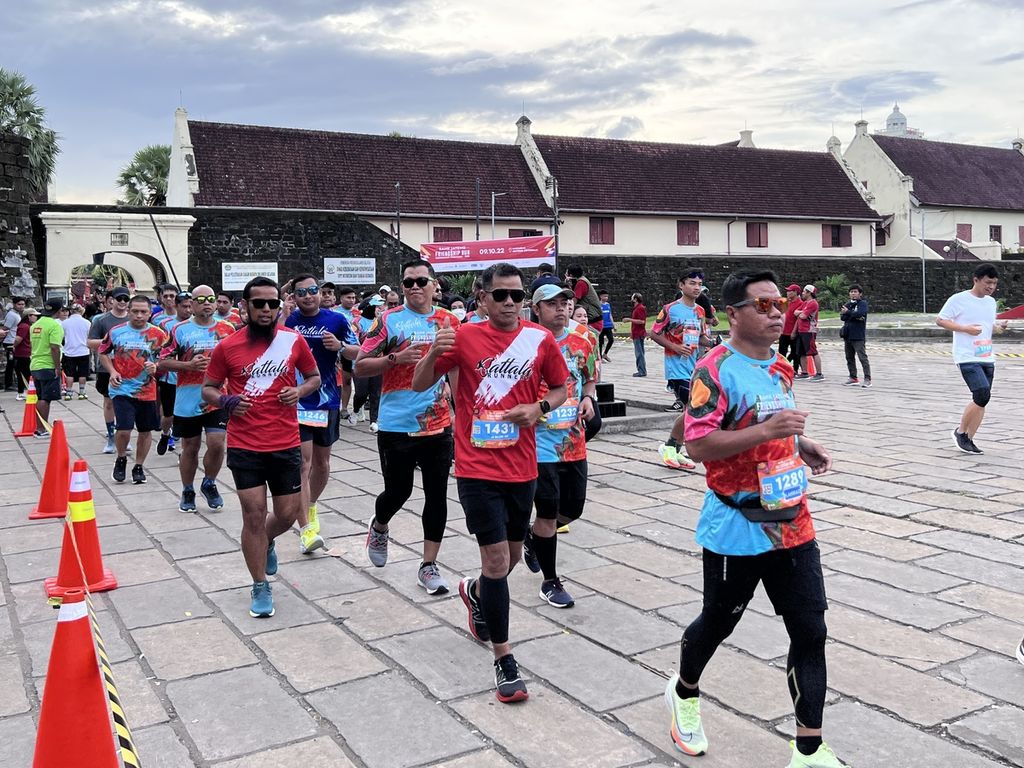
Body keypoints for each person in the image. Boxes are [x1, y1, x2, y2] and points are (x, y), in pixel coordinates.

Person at [665, 270, 845, 768]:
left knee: (810, 631)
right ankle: (684, 693)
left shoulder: (781, 367)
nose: (775, 313)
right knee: (719, 622)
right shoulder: (713, 370)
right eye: (763, 305)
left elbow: (774, 429)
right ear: (733, 314)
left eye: (779, 303)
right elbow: (698, 446)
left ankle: (809, 748)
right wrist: (768, 427)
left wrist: (800, 444)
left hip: (792, 520)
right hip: (735, 525)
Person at [412, 261, 569, 703]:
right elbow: (420, 383)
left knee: (511, 559)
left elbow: (560, 389)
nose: (509, 303)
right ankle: (504, 661)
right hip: (476, 468)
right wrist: (431, 353)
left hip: (523, 467)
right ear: (482, 298)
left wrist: (539, 407)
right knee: (498, 561)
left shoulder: (539, 340)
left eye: (516, 295)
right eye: (500, 295)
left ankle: (475, 592)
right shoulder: (462, 337)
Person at [202, 276, 321, 618]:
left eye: (272, 303)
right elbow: (208, 389)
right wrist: (225, 400)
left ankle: (266, 541)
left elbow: (313, 378)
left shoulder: (293, 341)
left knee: (285, 515)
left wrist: (299, 392)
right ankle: (259, 583)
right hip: (245, 444)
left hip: (285, 442)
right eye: (259, 304)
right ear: (246, 307)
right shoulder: (228, 346)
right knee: (253, 515)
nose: (267, 310)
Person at [358, 259, 459, 595]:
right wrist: (394, 359)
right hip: (395, 422)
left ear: (434, 286)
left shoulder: (448, 321)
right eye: (408, 282)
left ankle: (429, 565)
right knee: (398, 491)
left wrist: (461, 413)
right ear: (401, 287)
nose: (415, 287)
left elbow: (457, 368)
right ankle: (380, 525)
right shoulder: (388, 320)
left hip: (436, 421)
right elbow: (360, 366)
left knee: (436, 494)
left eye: (421, 281)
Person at [522, 283, 598, 607]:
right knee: (548, 511)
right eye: (551, 303)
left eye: (565, 301)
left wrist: (588, 398)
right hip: (537, 442)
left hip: (572, 439)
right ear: (537, 308)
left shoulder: (585, 338)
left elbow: (590, 377)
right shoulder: (523, 341)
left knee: (574, 509)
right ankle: (550, 582)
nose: (561, 308)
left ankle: (532, 537)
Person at [284, 273, 360, 553]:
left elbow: (359, 352)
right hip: (299, 400)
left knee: (322, 464)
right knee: (303, 464)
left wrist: (339, 347)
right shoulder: (290, 321)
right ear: (294, 296)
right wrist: (283, 314)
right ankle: (306, 529)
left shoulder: (337, 320)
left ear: (320, 292)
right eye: (301, 292)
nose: (308, 296)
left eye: (313, 290)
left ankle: (311, 504)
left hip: (327, 401)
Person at [160, 285, 236, 512]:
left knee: (217, 444)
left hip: (218, 396)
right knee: (190, 448)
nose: (206, 303)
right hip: (187, 398)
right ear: (191, 304)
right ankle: (187, 489)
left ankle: (209, 482)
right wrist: (187, 365)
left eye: (210, 299)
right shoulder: (179, 330)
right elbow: (162, 362)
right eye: (200, 299)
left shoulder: (228, 329)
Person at [936, 263, 1007, 455]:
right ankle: (961, 432)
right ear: (976, 280)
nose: (991, 287)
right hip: (967, 356)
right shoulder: (958, 299)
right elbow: (941, 320)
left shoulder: (990, 303)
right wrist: (965, 329)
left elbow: (987, 326)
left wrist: (999, 327)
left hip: (986, 356)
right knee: (981, 393)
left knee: (983, 399)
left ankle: (969, 438)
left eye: (994, 283)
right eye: (987, 282)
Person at [98, 295, 168, 484]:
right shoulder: (116, 331)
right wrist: (112, 371)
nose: (139, 315)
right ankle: (121, 458)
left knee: (146, 431)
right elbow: (102, 352)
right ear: (128, 311)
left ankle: (139, 466)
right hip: (122, 388)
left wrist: (157, 366)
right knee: (124, 429)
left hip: (147, 390)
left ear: (149, 313)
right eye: (135, 311)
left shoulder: (159, 334)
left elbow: (167, 359)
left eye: (143, 312)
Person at [651, 271, 706, 470]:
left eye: (699, 284)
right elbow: (654, 333)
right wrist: (674, 347)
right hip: (676, 369)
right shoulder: (670, 309)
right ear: (681, 285)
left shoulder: (700, 311)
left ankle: (674, 449)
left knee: (688, 411)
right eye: (692, 283)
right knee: (693, 408)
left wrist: (714, 344)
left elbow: (701, 337)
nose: (697, 287)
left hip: (695, 368)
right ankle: (670, 446)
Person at [89, 286, 132, 453]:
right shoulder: (101, 320)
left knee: (127, 403)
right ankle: (111, 436)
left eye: (125, 299)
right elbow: (90, 342)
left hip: (129, 368)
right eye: (118, 299)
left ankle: (124, 435)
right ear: (111, 300)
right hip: (106, 368)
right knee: (109, 403)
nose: (122, 302)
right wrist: (110, 342)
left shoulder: (133, 318)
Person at [154, 292, 193, 455]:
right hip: (170, 377)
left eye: (191, 306)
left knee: (187, 413)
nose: (188, 310)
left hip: (191, 380)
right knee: (168, 413)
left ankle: (182, 443)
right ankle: (165, 433)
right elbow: (159, 348)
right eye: (184, 306)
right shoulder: (164, 324)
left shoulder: (196, 325)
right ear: (176, 307)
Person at [28, 298, 64, 437]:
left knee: (40, 396)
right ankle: (41, 428)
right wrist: (57, 367)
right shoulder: (54, 326)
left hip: (35, 364)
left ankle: (40, 427)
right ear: (59, 311)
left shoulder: (35, 325)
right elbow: (55, 347)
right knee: (45, 398)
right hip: (48, 365)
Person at [840, 285, 871, 387]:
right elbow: (843, 317)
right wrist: (852, 314)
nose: (853, 293)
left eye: (855, 291)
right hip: (847, 335)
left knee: (862, 357)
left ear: (860, 293)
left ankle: (867, 378)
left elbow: (861, 314)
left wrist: (849, 313)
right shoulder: (848, 304)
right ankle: (853, 377)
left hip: (858, 335)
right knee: (849, 357)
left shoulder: (863, 304)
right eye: (851, 292)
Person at [60, 304, 91, 400]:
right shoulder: (87, 323)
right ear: (81, 311)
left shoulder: (65, 323)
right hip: (83, 351)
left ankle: (69, 393)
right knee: (83, 373)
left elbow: (62, 336)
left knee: (70, 373)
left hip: (69, 351)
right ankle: (82, 392)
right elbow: (90, 336)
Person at [794, 285, 823, 381]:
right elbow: (795, 312)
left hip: (809, 331)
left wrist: (801, 313)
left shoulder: (813, 303)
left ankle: (819, 373)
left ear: (809, 293)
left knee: (813, 352)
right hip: (801, 330)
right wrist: (801, 312)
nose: (802, 293)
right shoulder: (805, 303)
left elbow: (802, 316)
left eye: (804, 291)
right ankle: (804, 372)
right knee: (801, 352)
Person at [565, 263, 603, 334]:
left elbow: (573, 301)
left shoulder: (581, 283)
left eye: (567, 273)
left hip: (593, 320)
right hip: (592, 318)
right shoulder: (580, 281)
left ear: (571, 275)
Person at [12, 307, 37, 399]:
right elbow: (18, 339)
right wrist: (14, 345)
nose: (36, 317)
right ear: (29, 316)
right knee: (25, 374)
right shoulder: (24, 326)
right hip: (23, 354)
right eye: (34, 315)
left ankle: (22, 392)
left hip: (25, 353)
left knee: (23, 373)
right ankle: (23, 392)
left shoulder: (25, 326)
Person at [779, 284, 803, 375]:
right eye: (787, 291)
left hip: (794, 332)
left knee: (795, 352)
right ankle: (782, 368)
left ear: (796, 292)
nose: (788, 292)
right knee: (781, 352)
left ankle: (795, 369)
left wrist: (794, 332)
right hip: (784, 331)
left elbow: (798, 319)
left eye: (790, 291)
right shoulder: (786, 302)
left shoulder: (801, 303)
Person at [3, 297, 26, 392]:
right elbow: (5, 328)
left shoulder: (17, 314)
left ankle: (14, 383)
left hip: (14, 341)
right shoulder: (12, 315)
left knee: (15, 364)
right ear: (14, 304)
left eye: (23, 304)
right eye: (19, 304)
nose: (21, 306)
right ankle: (8, 384)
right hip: (10, 342)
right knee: (11, 364)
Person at [629, 292, 647, 377]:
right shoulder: (637, 308)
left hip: (638, 333)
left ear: (635, 299)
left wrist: (630, 319)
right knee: (639, 352)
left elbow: (641, 321)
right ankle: (641, 369)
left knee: (639, 353)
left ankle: (642, 371)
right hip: (636, 332)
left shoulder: (640, 308)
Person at [598, 290, 614, 362]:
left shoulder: (608, 305)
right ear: (600, 296)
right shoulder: (598, 305)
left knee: (611, 339)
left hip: (608, 325)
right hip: (601, 326)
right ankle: (600, 357)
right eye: (604, 296)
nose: (606, 298)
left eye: (607, 296)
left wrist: (613, 324)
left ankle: (605, 354)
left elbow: (610, 314)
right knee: (600, 342)